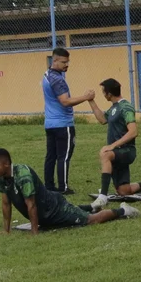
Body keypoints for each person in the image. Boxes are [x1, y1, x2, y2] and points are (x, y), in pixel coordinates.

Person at [0, 148, 138, 235]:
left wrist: (35, 233)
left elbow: (31, 204)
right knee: (77, 211)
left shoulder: (22, 175)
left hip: (55, 209)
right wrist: (6, 231)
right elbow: (5, 204)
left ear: (7, 164)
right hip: (45, 215)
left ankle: (123, 210)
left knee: (91, 220)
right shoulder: (2, 177)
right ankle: (92, 206)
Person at [89, 78, 141, 210]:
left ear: (109, 93)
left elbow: (133, 132)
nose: (103, 95)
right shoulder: (114, 108)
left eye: (103, 92)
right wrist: (90, 100)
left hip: (126, 151)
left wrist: (112, 145)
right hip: (118, 152)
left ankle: (103, 197)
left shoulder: (125, 107)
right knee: (124, 191)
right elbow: (103, 119)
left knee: (105, 154)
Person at [42, 47, 93, 194]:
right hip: (63, 124)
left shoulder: (47, 74)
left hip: (50, 123)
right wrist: (85, 97)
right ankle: (63, 188)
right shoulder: (58, 80)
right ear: (55, 60)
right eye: (64, 62)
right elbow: (65, 101)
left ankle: (49, 186)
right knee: (63, 157)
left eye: (68, 62)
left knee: (50, 156)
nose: (67, 65)